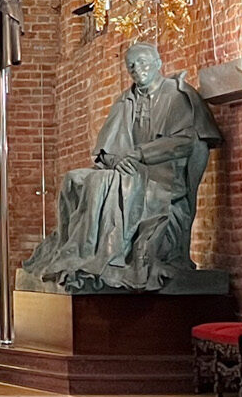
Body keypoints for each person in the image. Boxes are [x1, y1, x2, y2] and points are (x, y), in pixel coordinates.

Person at [21, 41, 221, 292]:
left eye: (143, 63)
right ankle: (75, 249)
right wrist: (115, 160)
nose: (137, 69)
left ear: (158, 63)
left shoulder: (177, 95)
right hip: (129, 168)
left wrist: (140, 154)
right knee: (77, 179)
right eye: (132, 66)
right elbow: (107, 147)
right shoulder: (127, 98)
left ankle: (108, 254)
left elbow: (185, 141)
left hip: (162, 173)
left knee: (106, 184)